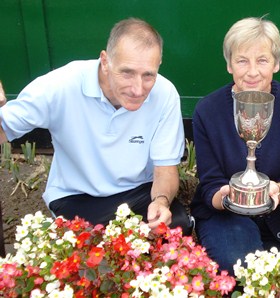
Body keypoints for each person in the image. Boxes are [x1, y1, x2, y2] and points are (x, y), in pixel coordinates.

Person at [0, 18, 193, 233]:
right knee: (98, 244)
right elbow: (5, 127)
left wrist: (161, 202)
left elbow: (165, 169)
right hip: (77, 195)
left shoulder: (165, 94)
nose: (138, 89)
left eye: (148, 75)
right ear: (105, 61)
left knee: (176, 230)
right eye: (127, 73)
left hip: (140, 191)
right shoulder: (61, 85)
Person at [191, 17, 280, 275]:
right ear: (229, 65)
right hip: (225, 217)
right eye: (242, 60)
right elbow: (210, 183)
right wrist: (229, 196)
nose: (252, 71)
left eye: (262, 60)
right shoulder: (207, 110)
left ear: (276, 63)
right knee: (242, 266)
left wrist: (272, 192)